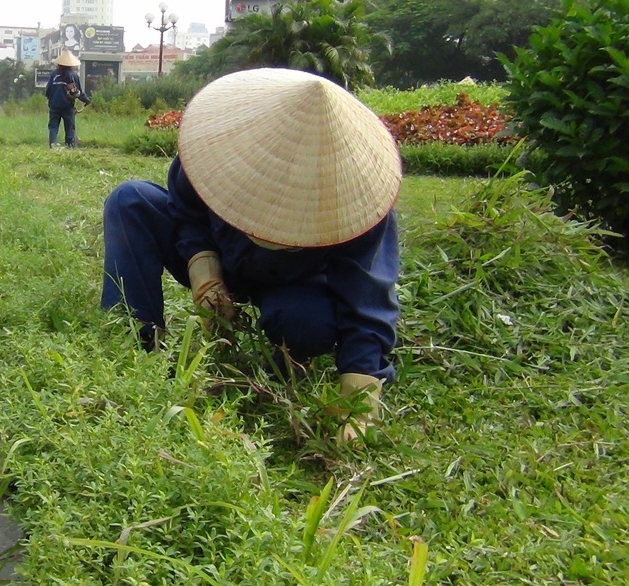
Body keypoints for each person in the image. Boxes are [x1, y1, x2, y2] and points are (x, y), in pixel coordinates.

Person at [100, 68, 403, 442]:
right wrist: (203, 269)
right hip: (222, 249)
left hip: (294, 281)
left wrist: (358, 399)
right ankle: (136, 341)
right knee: (130, 201)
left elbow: (367, 303)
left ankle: (283, 364)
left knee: (306, 324)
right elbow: (187, 212)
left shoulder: (359, 204)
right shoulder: (212, 147)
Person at [44, 51, 90, 148]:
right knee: (69, 126)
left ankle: (52, 144)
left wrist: (50, 99)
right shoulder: (73, 75)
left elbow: (48, 90)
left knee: (53, 126)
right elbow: (78, 92)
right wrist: (86, 100)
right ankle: (70, 145)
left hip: (54, 105)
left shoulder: (54, 75)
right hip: (67, 106)